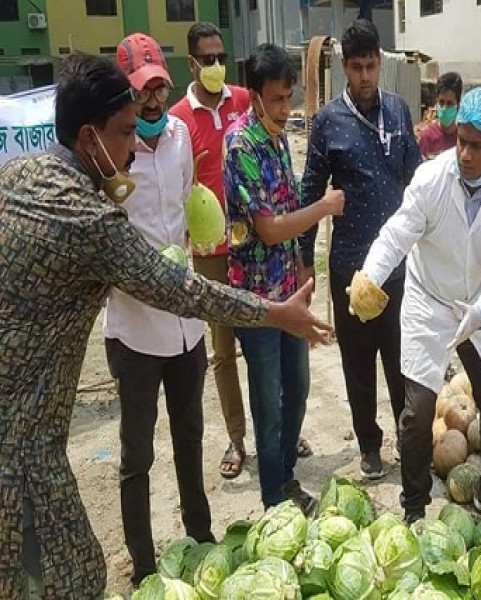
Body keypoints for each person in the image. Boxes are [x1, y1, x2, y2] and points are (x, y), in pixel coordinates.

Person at [0, 52, 330, 599]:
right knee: (73, 579)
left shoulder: (21, 175)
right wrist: (276, 314)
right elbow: (178, 288)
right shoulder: (87, 219)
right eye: (125, 132)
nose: (133, 145)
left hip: (35, 433)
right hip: (21, 451)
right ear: (89, 138)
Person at [350, 88, 481, 523]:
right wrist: (369, 275)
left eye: (476, 146)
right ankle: (414, 505)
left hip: (475, 305)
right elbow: (397, 234)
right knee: (419, 410)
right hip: (428, 302)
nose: (464, 153)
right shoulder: (431, 179)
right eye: (460, 140)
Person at [104, 32, 215, 588]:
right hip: (135, 332)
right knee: (137, 455)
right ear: (124, 97)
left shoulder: (177, 136)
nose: (151, 103)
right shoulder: (108, 155)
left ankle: (200, 534)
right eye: (140, 94)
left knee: (190, 436)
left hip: (186, 326)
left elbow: (187, 210)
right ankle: (144, 565)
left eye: (157, 89)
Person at [225, 43, 345, 511]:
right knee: (269, 402)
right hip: (256, 302)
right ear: (255, 97)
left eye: (290, 97)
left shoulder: (277, 140)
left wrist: (303, 272)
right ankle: (275, 496)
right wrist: (326, 206)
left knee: (297, 389)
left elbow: (288, 210)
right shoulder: (241, 146)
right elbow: (270, 228)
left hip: (288, 296)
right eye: (276, 99)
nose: (285, 107)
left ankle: (286, 477)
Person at [300, 19, 421, 479]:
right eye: (357, 68)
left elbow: (416, 177)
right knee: (357, 364)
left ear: (380, 65)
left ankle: (408, 439)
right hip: (351, 266)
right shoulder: (329, 122)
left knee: (401, 359)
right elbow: (312, 191)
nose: (366, 76)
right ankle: (369, 446)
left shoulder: (399, 111)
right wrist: (305, 262)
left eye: (372, 66)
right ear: (344, 68)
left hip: (398, 266)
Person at [170, 21, 255, 480]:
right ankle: (238, 437)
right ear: (192, 63)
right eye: (208, 59)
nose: (217, 66)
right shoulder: (178, 120)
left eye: (221, 57)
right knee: (223, 349)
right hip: (210, 251)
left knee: (264, 337)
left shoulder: (242, 100)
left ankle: (274, 427)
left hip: (252, 244)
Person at [419, 71, 462, 159]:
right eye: (441, 102)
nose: (444, 108)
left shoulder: (462, 138)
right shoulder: (427, 138)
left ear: (458, 105)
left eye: (450, 103)